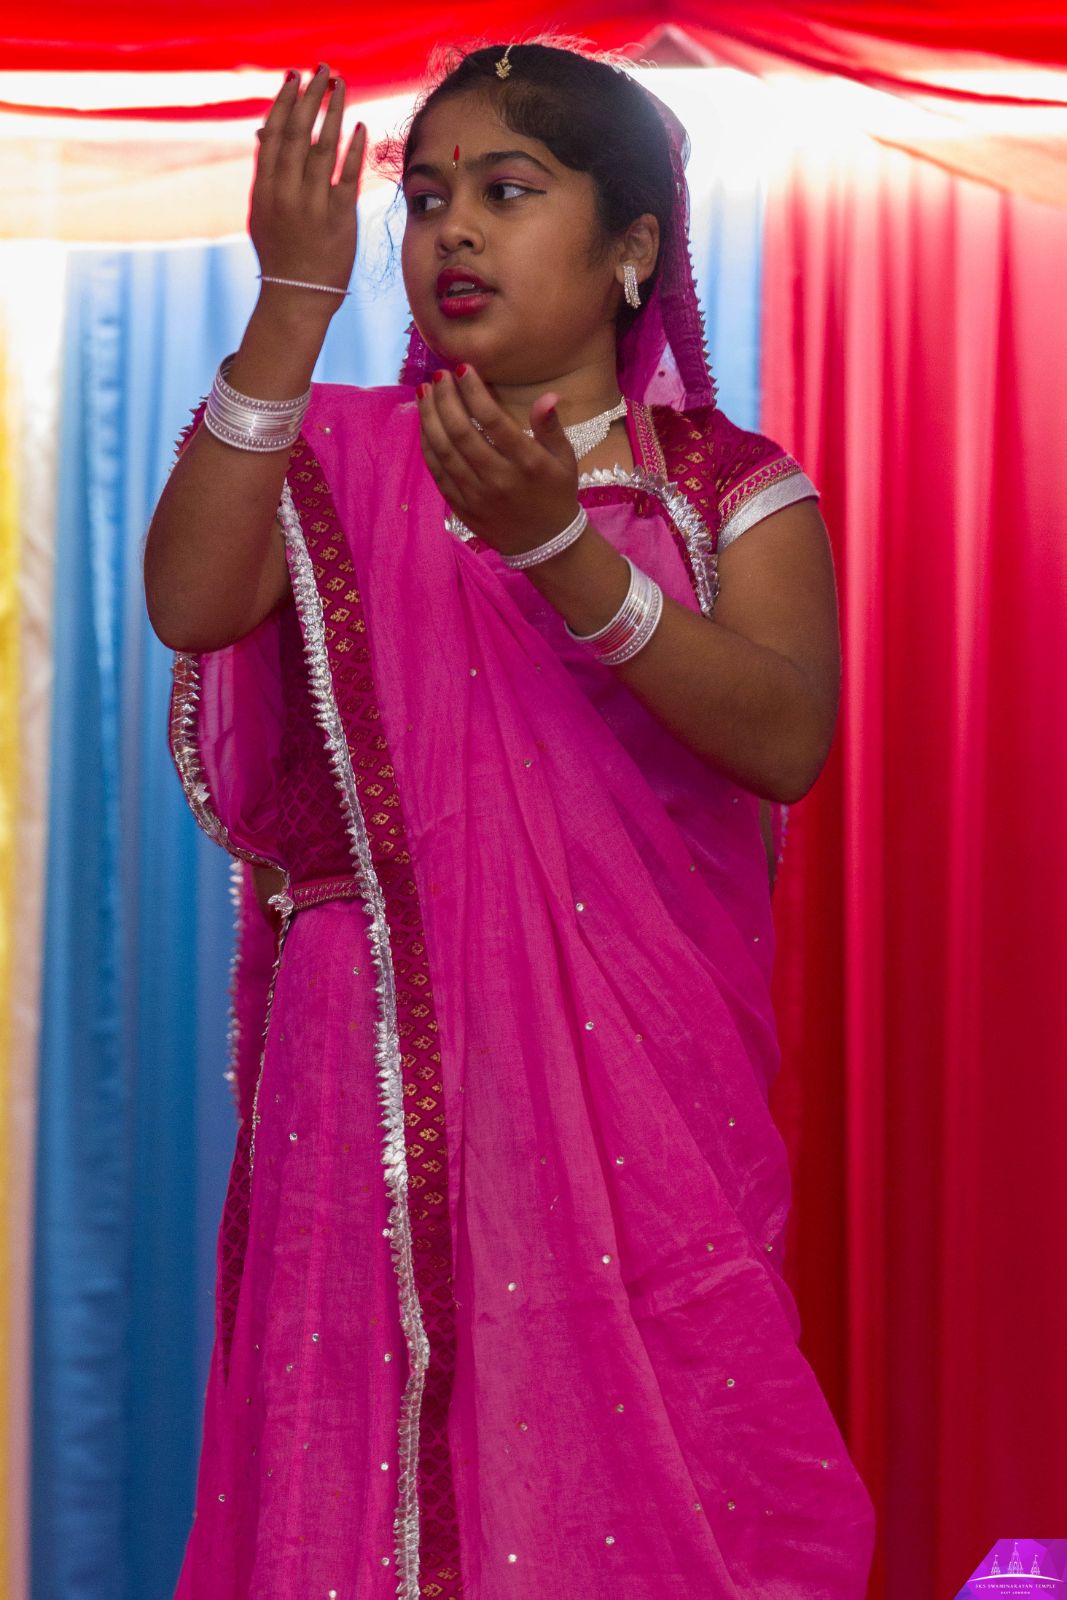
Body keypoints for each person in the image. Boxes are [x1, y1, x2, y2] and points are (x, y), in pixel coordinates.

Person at [144, 37, 875, 1600]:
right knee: (358, 1469)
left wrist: (565, 552)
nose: (450, 228)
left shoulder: (722, 491)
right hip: (376, 1077)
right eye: (424, 199)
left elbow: (788, 733)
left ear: (632, 252)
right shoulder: (333, 452)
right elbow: (192, 598)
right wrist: (292, 302)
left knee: (655, 1452)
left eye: (506, 189)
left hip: (637, 1100)